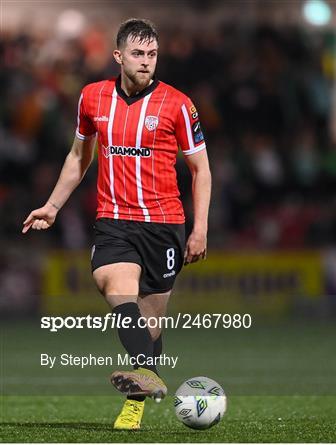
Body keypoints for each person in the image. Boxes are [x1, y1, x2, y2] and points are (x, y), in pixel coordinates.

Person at [22, 18, 211, 430]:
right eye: (138, 54)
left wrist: (200, 229)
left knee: (149, 324)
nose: (146, 62)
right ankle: (147, 379)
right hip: (114, 221)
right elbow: (78, 156)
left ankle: (137, 400)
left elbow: (201, 169)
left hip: (164, 225)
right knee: (112, 284)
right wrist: (53, 206)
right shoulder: (92, 98)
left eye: (153, 55)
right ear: (118, 56)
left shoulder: (178, 104)